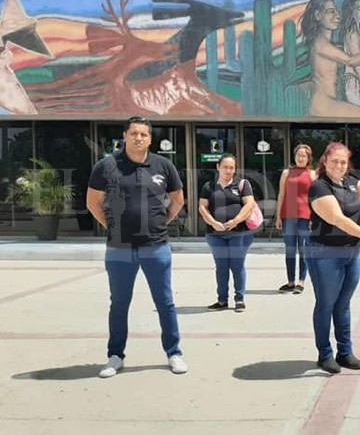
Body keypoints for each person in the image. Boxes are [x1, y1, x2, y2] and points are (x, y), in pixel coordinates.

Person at [86, 116, 187, 378]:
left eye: (143, 134)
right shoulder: (107, 166)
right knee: (119, 303)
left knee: (165, 302)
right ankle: (115, 355)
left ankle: (174, 353)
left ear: (150, 139)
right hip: (119, 248)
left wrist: (163, 221)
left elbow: (177, 199)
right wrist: (110, 226)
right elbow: (92, 202)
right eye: (134, 133)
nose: (138, 138)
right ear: (125, 136)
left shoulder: (163, 165)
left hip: (156, 246)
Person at [306, 142, 360, 374]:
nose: (339, 166)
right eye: (334, 161)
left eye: (343, 162)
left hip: (351, 253)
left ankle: (345, 352)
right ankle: (325, 354)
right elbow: (338, 220)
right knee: (326, 304)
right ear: (325, 161)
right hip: (324, 253)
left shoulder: (351, 183)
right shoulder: (319, 187)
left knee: (343, 305)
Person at [300, 0, 360, 118]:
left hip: (329, 101)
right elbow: (350, 61)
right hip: (323, 104)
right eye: (330, 11)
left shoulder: (327, 43)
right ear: (317, 15)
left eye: (336, 11)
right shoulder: (320, 43)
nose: (337, 15)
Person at [198, 153, 256, 312]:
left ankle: (239, 299)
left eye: (231, 167)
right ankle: (222, 300)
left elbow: (249, 205)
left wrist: (235, 221)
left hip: (239, 233)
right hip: (215, 235)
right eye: (225, 167)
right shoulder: (208, 186)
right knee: (221, 267)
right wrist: (213, 223)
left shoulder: (242, 185)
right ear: (218, 167)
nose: (228, 170)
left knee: (237, 266)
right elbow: (202, 207)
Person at [275, 144, 317, 294]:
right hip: (288, 216)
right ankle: (290, 281)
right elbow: (281, 195)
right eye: (298, 155)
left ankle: (301, 281)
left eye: (304, 156)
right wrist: (278, 216)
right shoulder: (287, 173)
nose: (301, 158)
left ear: (308, 158)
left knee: (304, 249)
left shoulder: (312, 174)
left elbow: (315, 198)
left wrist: (315, 217)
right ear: (294, 156)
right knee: (290, 249)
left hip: (305, 216)